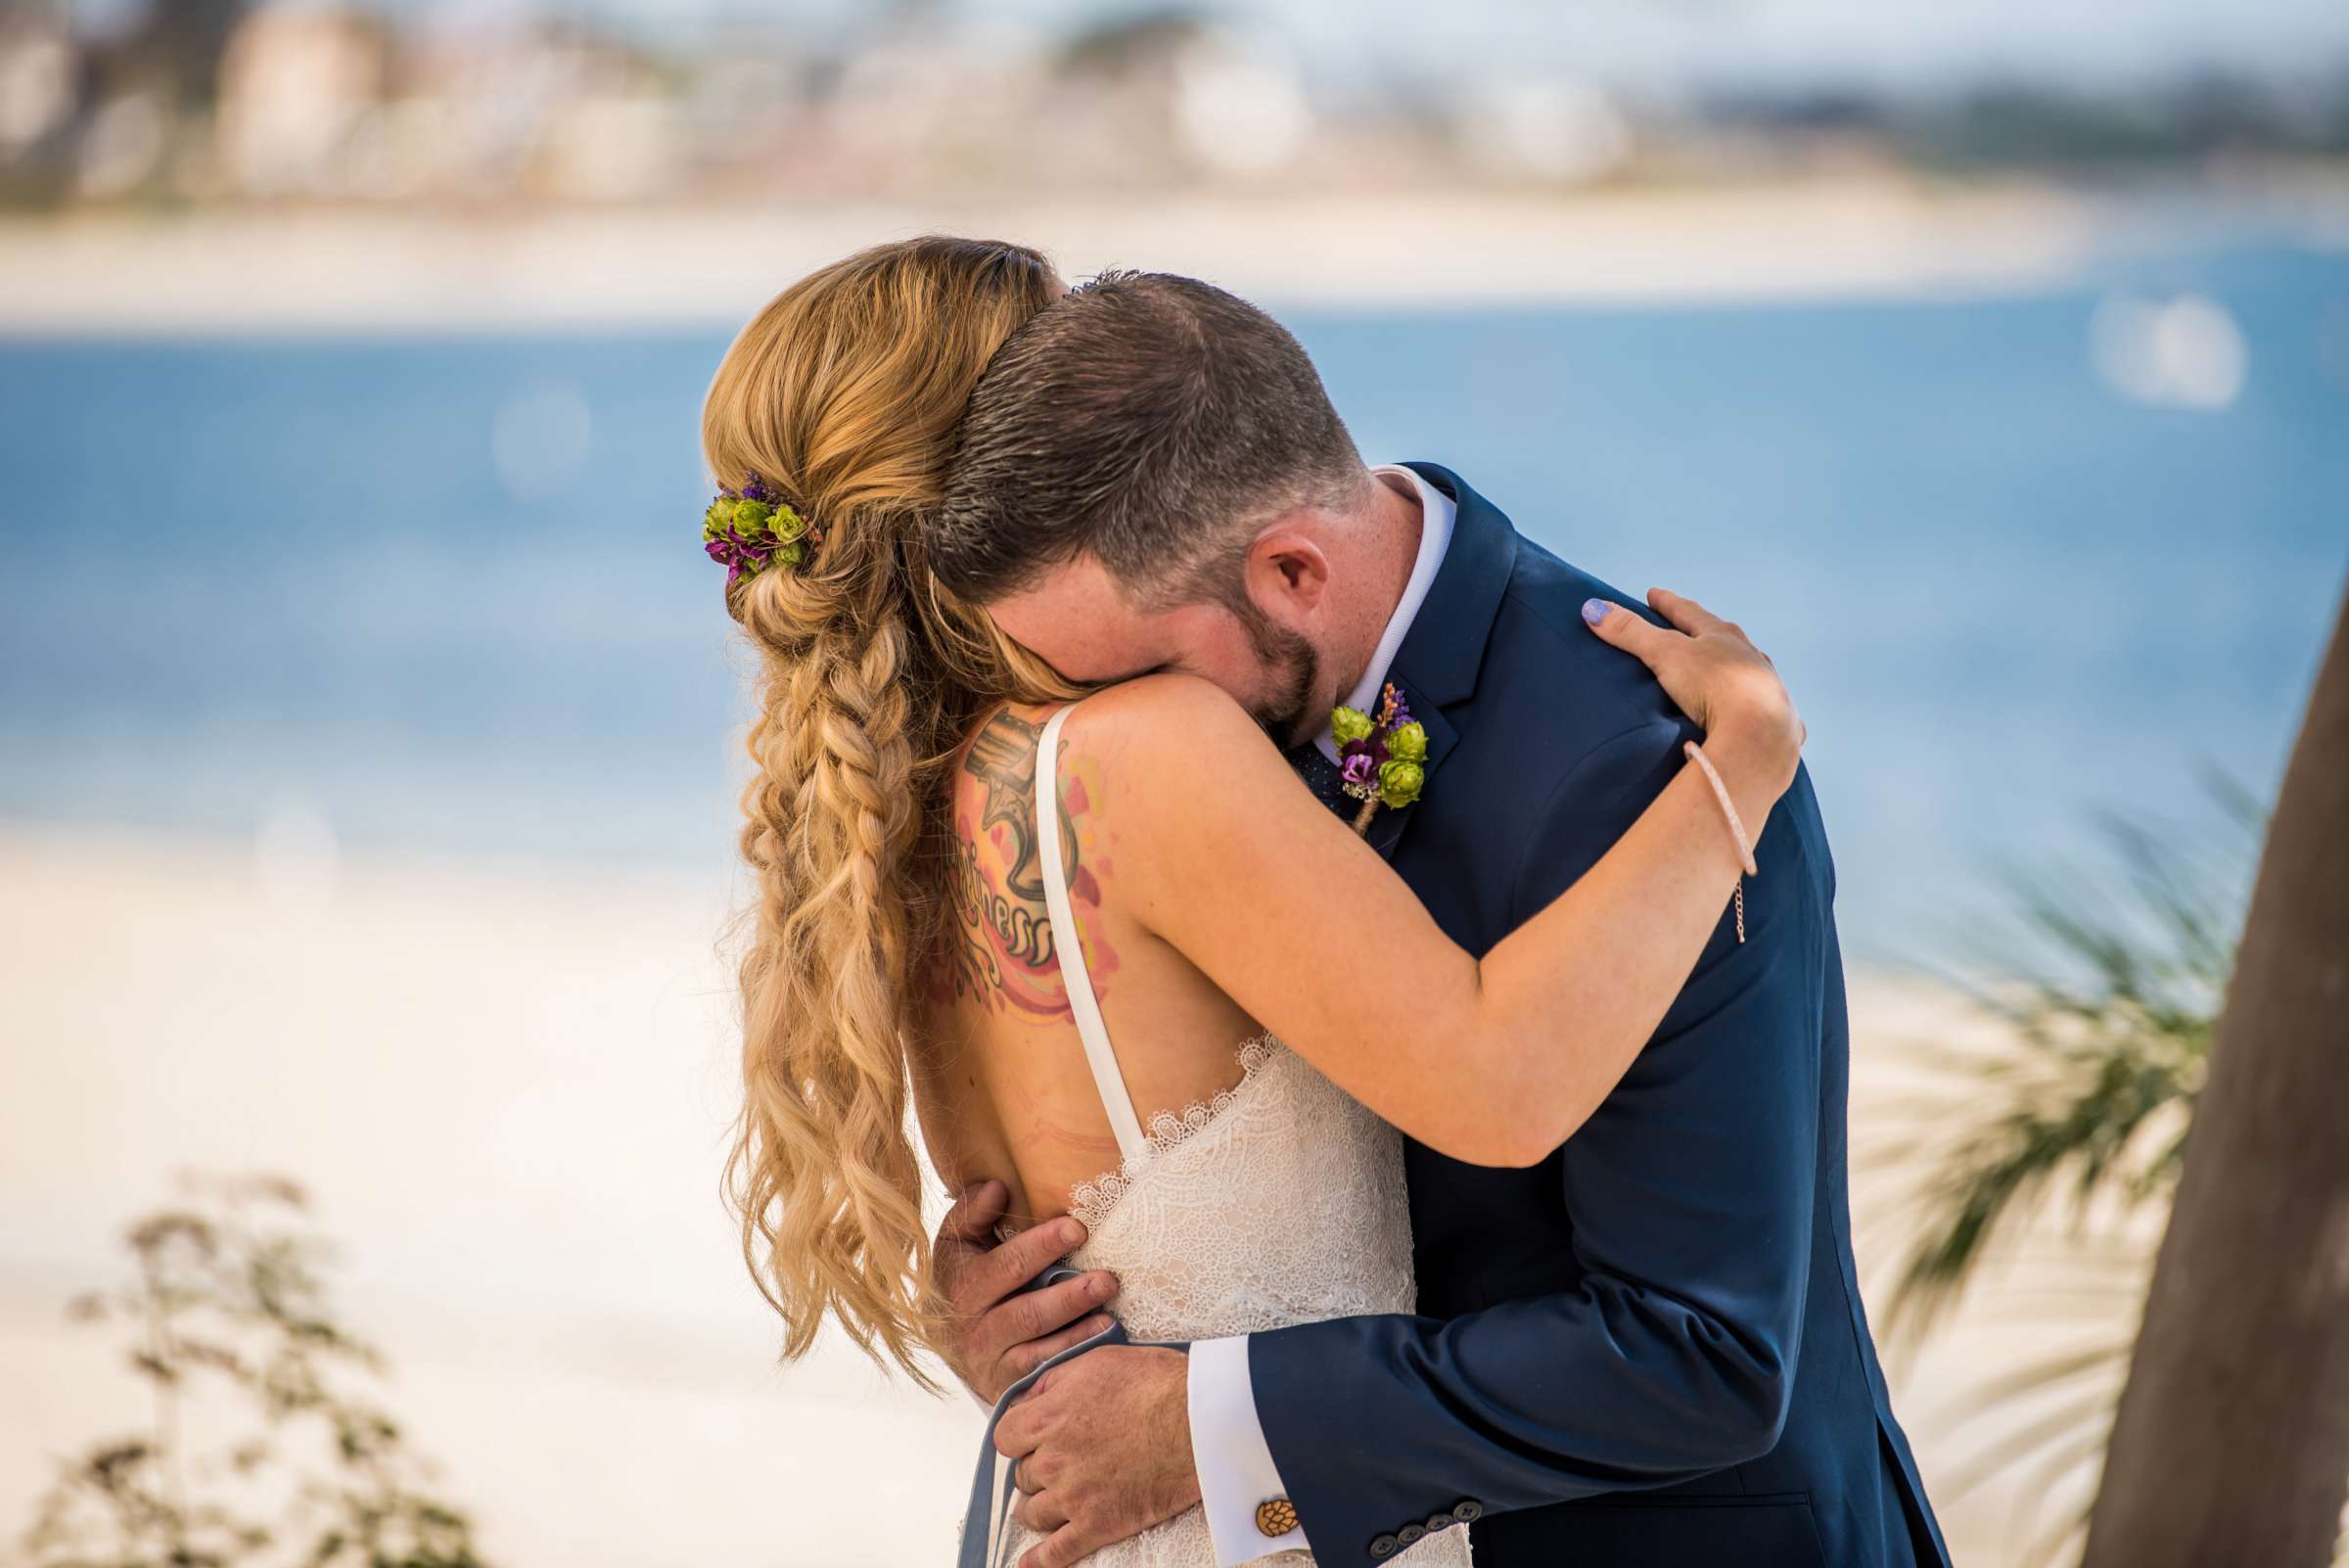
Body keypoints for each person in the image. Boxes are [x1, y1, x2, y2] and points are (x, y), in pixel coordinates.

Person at [704, 236, 1944, 1568]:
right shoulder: (1140, 737)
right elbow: (1469, 1082)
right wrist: (1036, 1342)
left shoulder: (1628, 755)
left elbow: (1703, 1349)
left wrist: (1177, 1412)